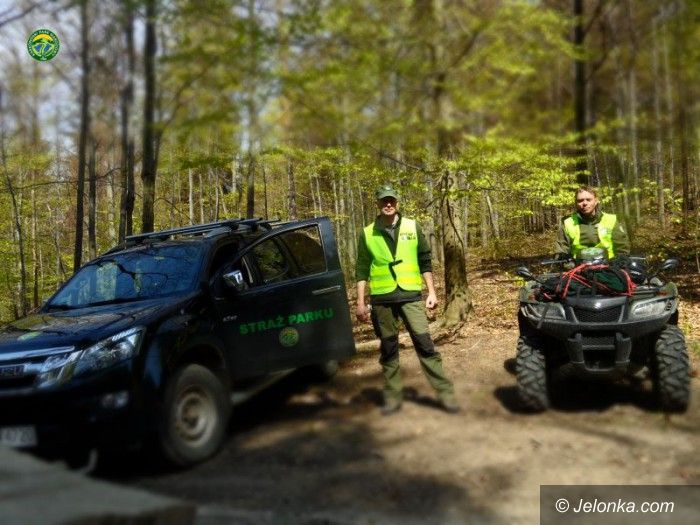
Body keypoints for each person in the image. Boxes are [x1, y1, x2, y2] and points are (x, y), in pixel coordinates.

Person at [355, 185, 459, 415]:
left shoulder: (413, 226)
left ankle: (445, 394)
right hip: (382, 299)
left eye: (391, 200)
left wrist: (431, 291)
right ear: (377, 204)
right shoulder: (367, 232)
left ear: (397, 203)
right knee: (389, 349)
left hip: (410, 296)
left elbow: (424, 260)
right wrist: (360, 303)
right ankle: (393, 397)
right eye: (384, 201)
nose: (388, 204)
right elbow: (361, 268)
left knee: (425, 345)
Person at [555, 186, 630, 260]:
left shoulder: (611, 220)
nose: (584, 203)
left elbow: (622, 249)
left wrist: (619, 262)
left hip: (608, 265)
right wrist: (564, 260)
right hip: (578, 266)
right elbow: (561, 251)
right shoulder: (567, 222)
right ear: (576, 203)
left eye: (588, 200)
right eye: (580, 200)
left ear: (596, 201)